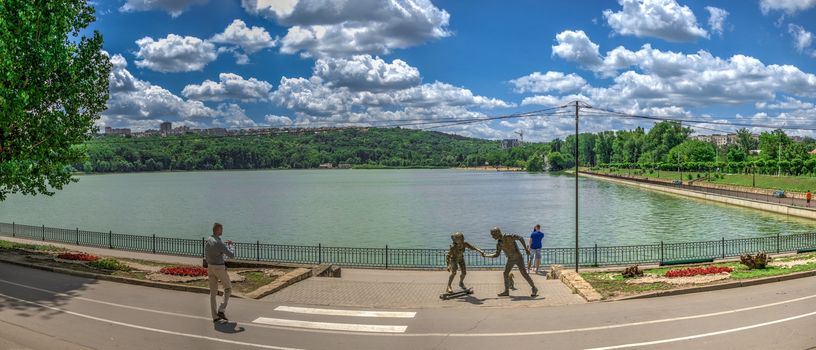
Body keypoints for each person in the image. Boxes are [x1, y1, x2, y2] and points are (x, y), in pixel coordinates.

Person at [481, 227, 538, 297]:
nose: (492, 237)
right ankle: (506, 291)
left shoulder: (508, 236)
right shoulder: (499, 244)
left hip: (518, 258)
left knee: (524, 273)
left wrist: (526, 249)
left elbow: (520, 238)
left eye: (493, 235)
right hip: (510, 259)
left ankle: (534, 288)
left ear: (497, 233)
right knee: (505, 273)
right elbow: (496, 255)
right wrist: (486, 255)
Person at [205, 222, 235, 323]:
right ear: (218, 230)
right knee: (228, 288)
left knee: (213, 292)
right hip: (219, 268)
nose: (222, 231)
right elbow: (231, 255)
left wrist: (222, 250)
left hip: (210, 267)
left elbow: (215, 252)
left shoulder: (208, 240)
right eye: (221, 229)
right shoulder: (219, 243)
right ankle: (221, 310)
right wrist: (230, 245)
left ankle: (215, 316)